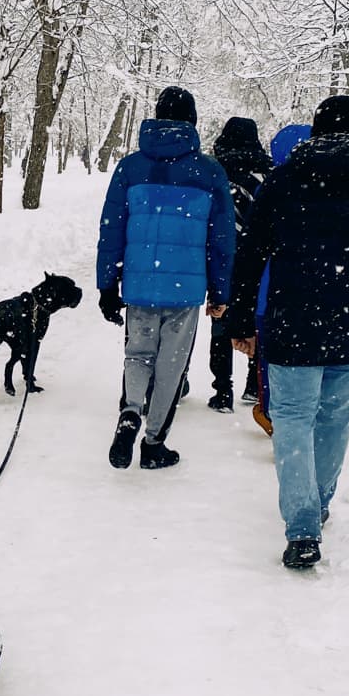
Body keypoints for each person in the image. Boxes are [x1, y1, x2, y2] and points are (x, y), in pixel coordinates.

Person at [225, 94, 349, 569]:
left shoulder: (286, 178)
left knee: (292, 416)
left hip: (294, 318)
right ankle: (320, 501)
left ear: (315, 131)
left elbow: (251, 252)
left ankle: (302, 528)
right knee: (334, 416)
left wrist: (238, 318)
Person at [97, 84, 235, 470]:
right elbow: (221, 239)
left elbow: (111, 229)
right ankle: (154, 443)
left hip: (140, 285)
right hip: (186, 289)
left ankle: (130, 412)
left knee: (138, 355)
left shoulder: (130, 168)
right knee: (171, 365)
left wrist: (108, 285)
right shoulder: (209, 172)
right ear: (192, 120)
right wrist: (220, 290)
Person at [250, 122, 312, 435]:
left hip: (268, 293)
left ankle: (273, 411)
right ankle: (300, 415)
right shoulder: (325, 187)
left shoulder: (272, 187)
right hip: (309, 292)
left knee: (269, 359)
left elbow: (255, 246)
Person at [207, 116, 271, 412]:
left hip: (221, 255)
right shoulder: (267, 173)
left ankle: (222, 391)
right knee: (254, 319)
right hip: (256, 257)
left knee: (220, 321)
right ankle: (253, 384)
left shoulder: (213, 171)